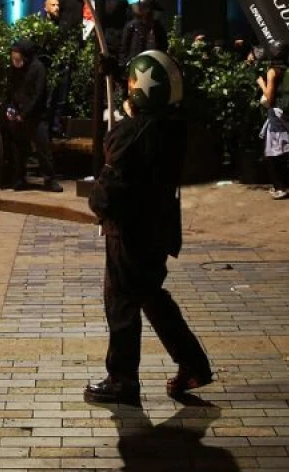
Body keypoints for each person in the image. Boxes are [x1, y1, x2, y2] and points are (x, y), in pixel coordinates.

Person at [85, 50, 212, 404]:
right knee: (152, 297)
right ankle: (193, 364)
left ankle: (122, 379)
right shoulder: (173, 127)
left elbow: (108, 193)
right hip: (158, 228)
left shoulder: (130, 135)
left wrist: (97, 200)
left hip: (130, 231)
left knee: (122, 302)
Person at [5, 39, 62, 193]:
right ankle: (19, 179)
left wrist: (25, 114)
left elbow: (39, 95)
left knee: (43, 149)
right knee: (19, 149)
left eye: (17, 57)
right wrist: (12, 109)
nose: (15, 60)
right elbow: (11, 91)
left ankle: (50, 180)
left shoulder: (38, 68)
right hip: (19, 115)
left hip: (36, 116)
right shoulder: (14, 70)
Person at [257, 42, 289, 199]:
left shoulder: (273, 71)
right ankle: (287, 184)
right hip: (288, 115)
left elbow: (270, 99)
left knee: (272, 155)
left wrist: (261, 84)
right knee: (284, 152)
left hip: (277, 117)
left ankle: (280, 188)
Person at [118, 0, 169, 69]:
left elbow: (163, 46)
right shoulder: (132, 27)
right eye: (154, 13)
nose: (156, 16)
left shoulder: (159, 28)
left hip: (152, 67)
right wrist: (124, 64)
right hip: (134, 66)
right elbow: (123, 48)